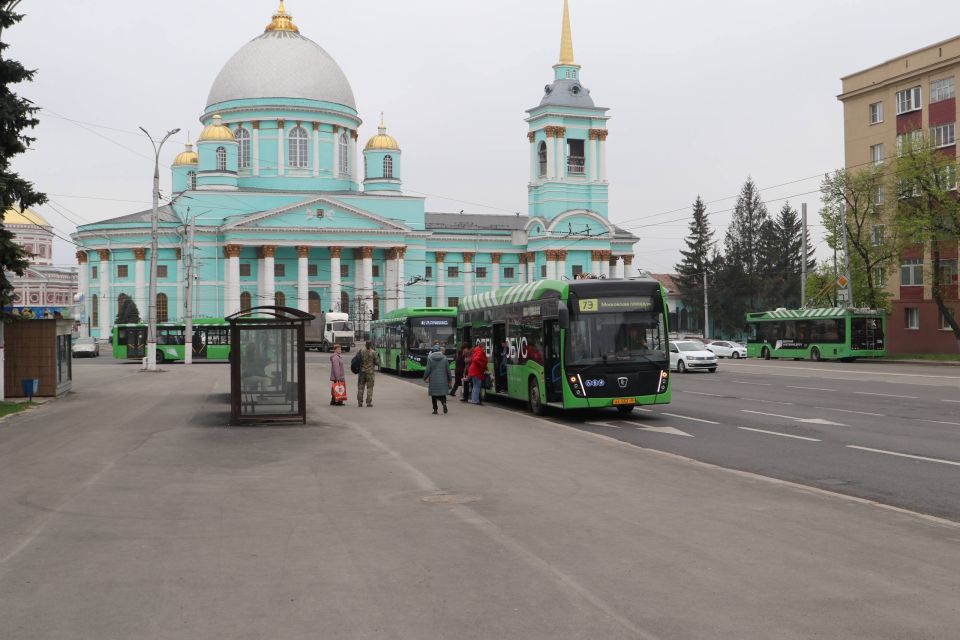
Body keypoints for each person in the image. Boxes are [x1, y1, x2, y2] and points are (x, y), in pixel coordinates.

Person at [423, 344, 452, 414]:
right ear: (439, 350)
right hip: (443, 379)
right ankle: (444, 403)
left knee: (434, 395)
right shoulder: (444, 358)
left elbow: (428, 370)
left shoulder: (430, 358)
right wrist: (450, 379)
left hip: (433, 379)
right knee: (442, 394)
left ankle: (435, 409)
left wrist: (425, 377)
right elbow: (448, 370)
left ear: (433, 350)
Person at [356, 340, 380, 407]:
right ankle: (368, 402)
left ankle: (360, 402)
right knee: (370, 388)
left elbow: (357, 359)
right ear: (371, 345)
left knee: (360, 387)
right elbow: (377, 362)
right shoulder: (373, 352)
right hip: (370, 373)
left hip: (362, 372)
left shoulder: (360, 351)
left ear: (365, 344)